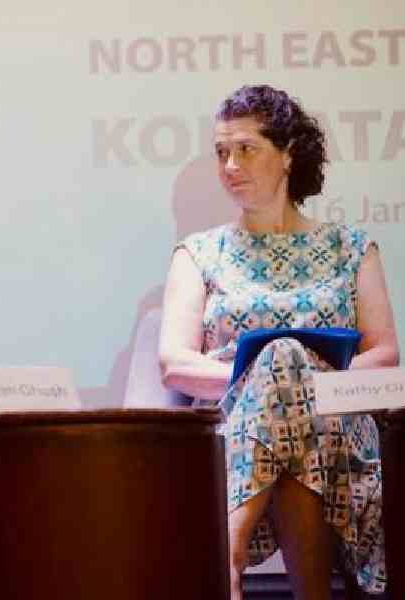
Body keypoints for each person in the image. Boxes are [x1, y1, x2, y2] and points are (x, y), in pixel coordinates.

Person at [159, 85, 399, 600]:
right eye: (221, 152)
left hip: (336, 427)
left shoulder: (350, 247)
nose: (228, 166)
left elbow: (383, 353)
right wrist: (269, 376)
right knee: (280, 371)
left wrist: (306, 385)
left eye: (245, 149)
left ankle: (228, 566)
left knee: (288, 378)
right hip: (231, 426)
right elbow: (175, 364)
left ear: (288, 154)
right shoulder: (200, 253)